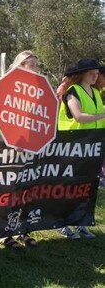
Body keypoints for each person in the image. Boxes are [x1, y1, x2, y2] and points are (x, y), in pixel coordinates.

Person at [55, 58, 105, 239]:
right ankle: (61, 223)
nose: (95, 75)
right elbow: (78, 116)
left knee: (86, 187)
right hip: (72, 146)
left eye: (97, 73)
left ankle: (81, 223)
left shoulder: (96, 92)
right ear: (82, 73)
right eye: (92, 72)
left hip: (92, 147)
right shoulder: (72, 91)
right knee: (69, 187)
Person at [0, 50, 40, 248]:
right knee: (8, 191)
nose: (35, 68)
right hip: (12, 147)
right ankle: (3, 233)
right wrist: (15, 141)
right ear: (20, 65)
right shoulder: (8, 85)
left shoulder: (40, 89)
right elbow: (2, 117)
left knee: (26, 191)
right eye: (31, 64)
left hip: (32, 148)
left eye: (36, 64)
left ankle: (23, 230)